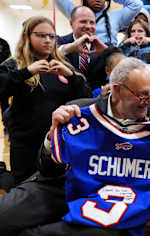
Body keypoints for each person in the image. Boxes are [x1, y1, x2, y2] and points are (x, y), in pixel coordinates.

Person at [18, 57, 150, 236]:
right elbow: (47, 168)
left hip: (131, 197)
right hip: (74, 187)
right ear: (117, 90)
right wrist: (53, 133)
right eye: (141, 95)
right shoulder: (77, 114)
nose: (149, 101)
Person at [0, 16, 92, 186]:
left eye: (51, 36)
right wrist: (26, 72)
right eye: (41, 35)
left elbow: (86, 98)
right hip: (25, 145)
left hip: (56, 143)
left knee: (53, 189)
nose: (48, 40)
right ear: (28, 37)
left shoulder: (63, 65)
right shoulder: (15, 65)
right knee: (24, 189)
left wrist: (71, 77)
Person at [57, 6, 108, 91]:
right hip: (65, 99)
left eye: (92, 23)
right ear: (71, 24)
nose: (88, 26)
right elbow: (50, 54)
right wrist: (70, 47)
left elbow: (122, 66)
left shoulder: (103, 46)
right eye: (83, 22)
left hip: (95, 100)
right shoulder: (60, 42)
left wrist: (107, 52)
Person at [54, 0, 143, 46]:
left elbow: (137, 4)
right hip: (81, 60)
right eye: (84, 22)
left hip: (107, 64)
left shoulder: (116, 17)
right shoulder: (76, 12)